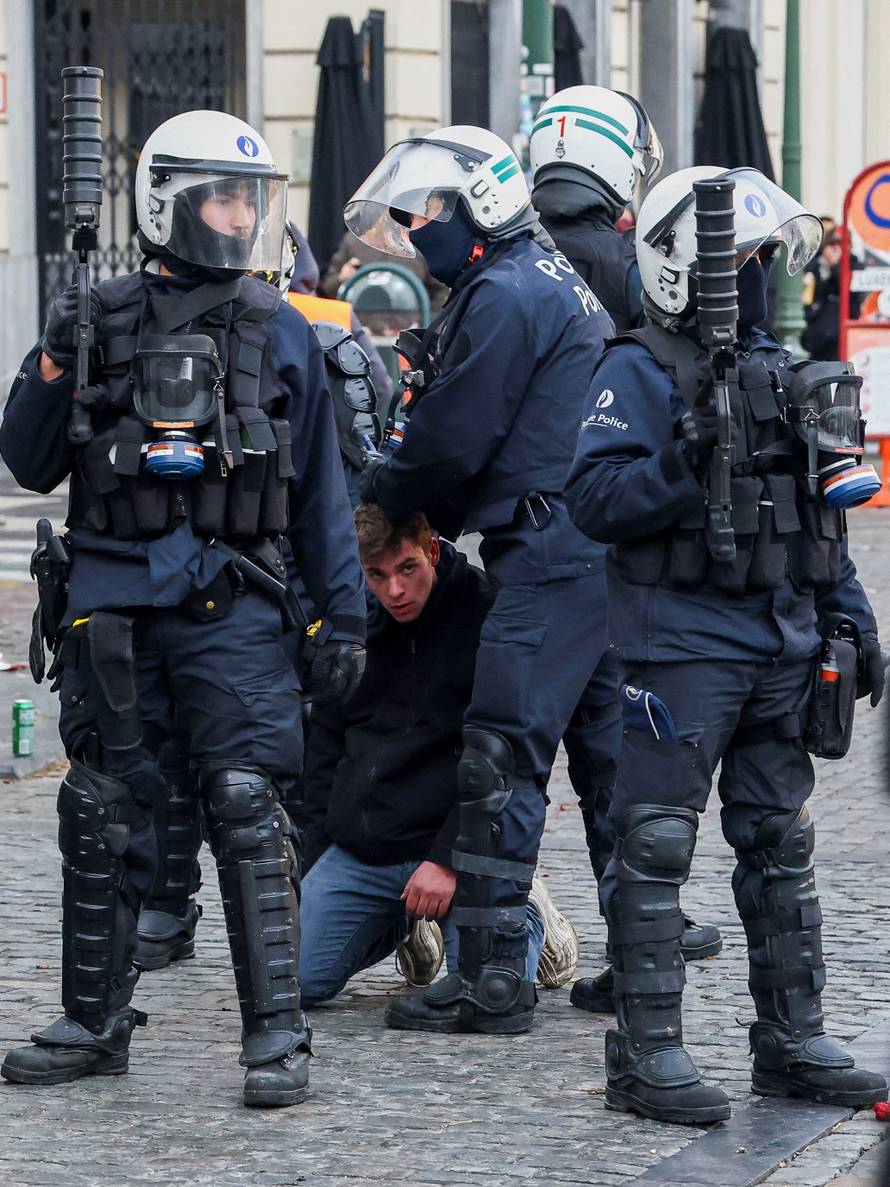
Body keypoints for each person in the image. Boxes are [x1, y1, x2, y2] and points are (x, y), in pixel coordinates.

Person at [0, 111, 366, 1109]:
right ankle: (94, 1021)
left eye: (250, 196)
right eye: (222, 195)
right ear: (168, 199)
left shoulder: (283, 326)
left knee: (248, 809)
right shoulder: (99, 314)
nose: (240, 215)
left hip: (235, 608)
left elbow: (324, 494)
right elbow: (29, 458)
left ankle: (276, 1038)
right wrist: (49, 354)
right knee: (102, 808)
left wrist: (344, 615)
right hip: (113, 607)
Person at [565, 164, 887, 1123]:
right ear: (676, 269)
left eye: (756, 260)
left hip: (779, 635)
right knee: (656, 842)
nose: (747, 278)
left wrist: (853, 611)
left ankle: (791, 1039)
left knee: (779, 841)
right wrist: (683, 456)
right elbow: (594, 501)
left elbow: (816, 517)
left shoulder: (783, 368)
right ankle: (646, 1052)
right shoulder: (636, 365)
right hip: (679, 643)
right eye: (730, 262)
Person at [346, 124, 614, 1034]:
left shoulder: (502, 292)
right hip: (586, 545)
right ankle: (643, 963)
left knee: (500, 751)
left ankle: (492, 973)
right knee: (611, 762)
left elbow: (453, 439)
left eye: (425, 213)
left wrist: (385, 485)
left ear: (477, 206)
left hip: (545, 547)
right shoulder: (538, 277)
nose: (415, 231)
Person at [529, 85, 722, 1015]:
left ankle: (518, 949)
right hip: (625, 544)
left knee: (524, 750)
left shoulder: (520, 260)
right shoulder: (634, 265)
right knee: (612, 749)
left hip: (545, 536)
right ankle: (642, 929)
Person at [299, 504, 581, 1005]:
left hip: (467, 843)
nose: (395, 591)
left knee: (491, 985)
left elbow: (515, 756)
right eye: (377, 576)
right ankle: (404, 920)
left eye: (406, 569)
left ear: (433, 549)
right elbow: (322, 751)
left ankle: (528, 907)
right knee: (295, 981)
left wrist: (449, 859)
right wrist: (315, 860)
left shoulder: (487, 612)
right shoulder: (352, 621)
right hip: (367, 845)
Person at [320, 217, 449, 315]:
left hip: (406, 331)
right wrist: (341, 279)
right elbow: (326, 290)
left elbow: (441, 292)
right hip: (360, 332)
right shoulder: (354, 241)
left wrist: (425, 328)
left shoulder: (420, 245)